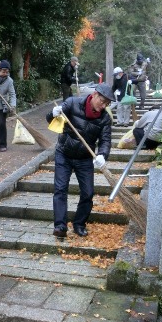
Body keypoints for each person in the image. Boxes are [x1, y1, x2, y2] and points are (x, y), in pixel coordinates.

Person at [45, 83, 114, 238]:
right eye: (101, 101)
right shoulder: (72, 103)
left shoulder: (105, 119)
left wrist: (103, 154)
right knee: (60, 189)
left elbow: (105, 140)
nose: (103, 106)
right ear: (95, 94)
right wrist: (53, 113)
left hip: (84, 159)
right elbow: (50, 119)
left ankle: (79, 224)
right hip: (64, 154)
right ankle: (60, 226)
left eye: (106, 104)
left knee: (88, 193)